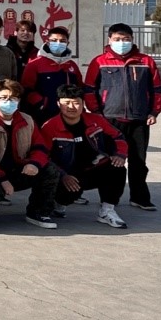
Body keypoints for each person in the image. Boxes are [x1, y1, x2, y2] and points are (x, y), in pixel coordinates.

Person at [84, 23, 161, 211]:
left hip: (139, 119)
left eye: (126, 39)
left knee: (139, 161)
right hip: (109, 119)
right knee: (110, 161)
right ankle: (109, 198)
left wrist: (154, 112)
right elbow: (89, 89)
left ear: (132, 39)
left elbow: (156, 89)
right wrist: (96, 113)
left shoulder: (146, 61)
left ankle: (140, 197)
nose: (122, 42)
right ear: (109, 40)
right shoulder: (99, 62)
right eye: (117, 39)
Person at [0, 79, 63, 229]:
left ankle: (39, 212)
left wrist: (34, 163)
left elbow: (40, 147)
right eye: (3, 98)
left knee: (50, 169)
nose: (8, 102)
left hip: (20, 170)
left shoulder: (28, 120)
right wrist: (2, 178)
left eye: (13, 98)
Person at [41, 84, 130, 229]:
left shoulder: (96, 120)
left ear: (83, 104)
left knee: (117, 169)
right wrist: (63, 175)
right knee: (67, 195)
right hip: (68, 175)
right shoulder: (50, 127)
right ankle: (59, 203)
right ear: (58, 103)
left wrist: (120, 155)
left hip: (93, 168)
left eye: (76, 103)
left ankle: (107, 211)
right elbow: (44, 156)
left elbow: (118, 136)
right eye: (67, 103)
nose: (72, 107)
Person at [20, 26, 83, 123]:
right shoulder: (35, 64)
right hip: (43, 115)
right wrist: (42, 103)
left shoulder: (72, 65)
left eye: (62, 41)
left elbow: (80, 88)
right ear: (47, 42)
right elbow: (26, 89)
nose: (58, 43)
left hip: (70, 114)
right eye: (54, 40)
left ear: (67, 43)